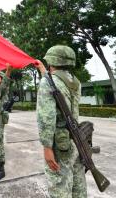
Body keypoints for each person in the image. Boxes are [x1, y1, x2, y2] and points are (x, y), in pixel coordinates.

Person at [34, 45, 87, 198]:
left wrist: (47, 147)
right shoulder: (75, 81)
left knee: (59, 184)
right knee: (78, 183)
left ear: (52, 61)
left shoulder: (48, 83)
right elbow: (57, 86)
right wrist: (44, 72)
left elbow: (46, 118)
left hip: (60, 144)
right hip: (76, 139)